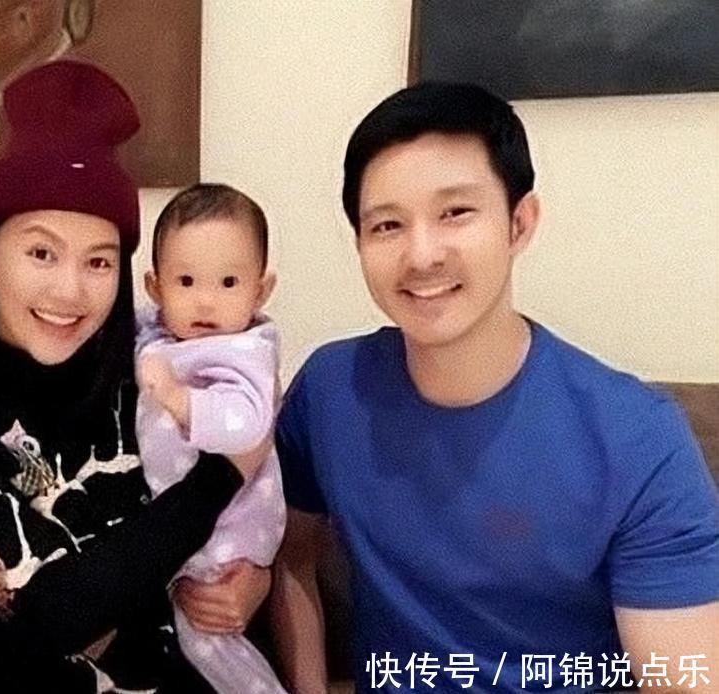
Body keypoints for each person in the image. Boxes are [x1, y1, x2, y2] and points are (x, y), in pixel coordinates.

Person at [268, 82, 719, 693]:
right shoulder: (332, 392)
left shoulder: (636, 439)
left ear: (519, 222)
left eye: (455, 213)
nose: (422, 254)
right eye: (387, 225)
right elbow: (284, 554)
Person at [0, 61, 271, 693]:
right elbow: (51, 610)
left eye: (99, 261)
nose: (70, 291)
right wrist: (222, 476)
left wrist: (252, 579)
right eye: (41, 252)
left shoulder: (150, 376)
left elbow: (239, 529)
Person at [135, 183, 286, 693]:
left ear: (260, 291)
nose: (205, 300)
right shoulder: (163, 335)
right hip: (182, 533)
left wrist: (180, 400)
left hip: (228, 536)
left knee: (210, 640)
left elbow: (247, 423)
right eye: (185, 281)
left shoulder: (242, 352)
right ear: (155, 288)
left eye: (228, 282)